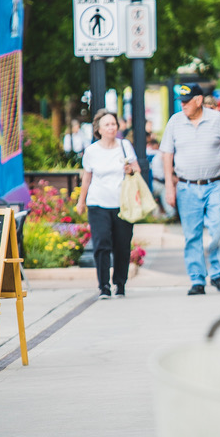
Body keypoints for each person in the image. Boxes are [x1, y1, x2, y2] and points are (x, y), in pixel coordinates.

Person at [161, 83, 220, 295]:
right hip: (186, 186)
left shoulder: (216, 119)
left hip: (213, 184)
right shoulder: (175, 122)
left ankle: (219, 274)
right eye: (181, 101)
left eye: (186, 101)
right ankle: (197, 280)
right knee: (192, 234)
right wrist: (169, 185)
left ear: (198, 100)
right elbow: (167, 154)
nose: (182, 104)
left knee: (218, 229)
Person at [76, 109, 140, 298]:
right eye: (107, 125)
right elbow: (86, 179)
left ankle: (120, 283)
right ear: (99, 129)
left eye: (113, 124)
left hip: (122, 204)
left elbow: (137, 171)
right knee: (101, 243)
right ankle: (103, 285)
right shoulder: (91, 151)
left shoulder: (125, 146)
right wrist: (81, 201)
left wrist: (130, 170)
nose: (111, 128)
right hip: (98, 203)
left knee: (122, 245)